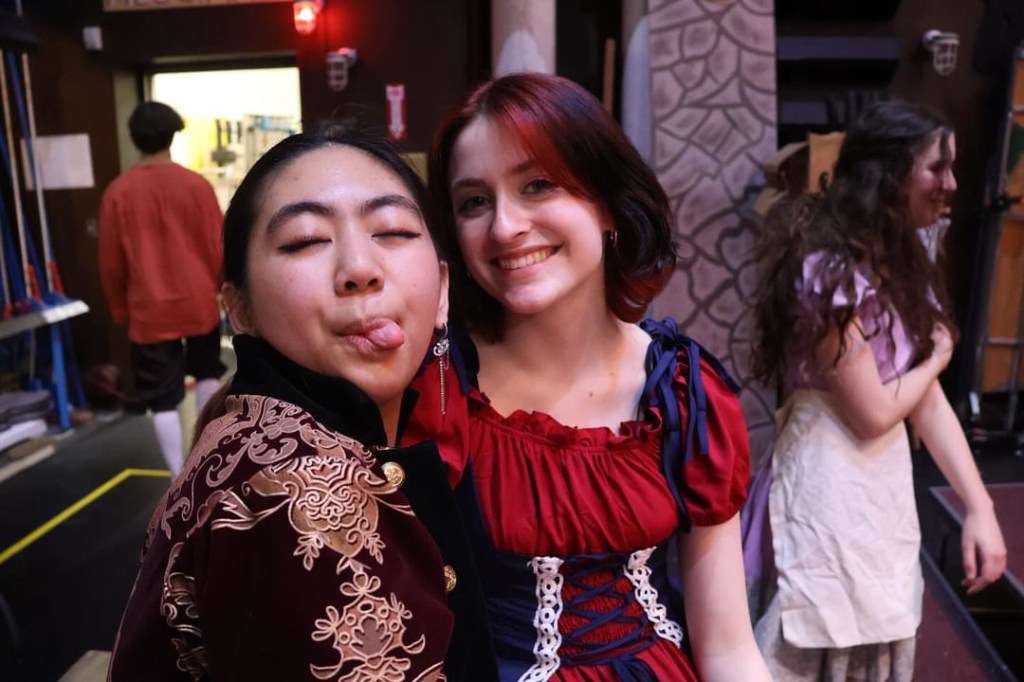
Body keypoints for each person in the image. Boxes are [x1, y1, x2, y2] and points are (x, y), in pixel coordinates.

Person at [403, 72, 770, 680]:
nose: (504, 226)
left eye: (537, 185)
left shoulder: (683, 391)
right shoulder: (435, 388)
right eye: (474, 202)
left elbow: (729, 647)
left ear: (608, 203)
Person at [108, 129, 496, 680]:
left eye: (394, 230)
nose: (359, 268)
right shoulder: (303, 495)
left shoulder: (249, 431)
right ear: (239, 308)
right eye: (306, 240)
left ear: (443, 289)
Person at [750, 99, 1007, 679]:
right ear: (888, 175)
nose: (952, 184)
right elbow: (871, 412)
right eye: (937, 168)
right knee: (812, 641)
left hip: (877, 489)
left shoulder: (901, 263)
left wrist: (980, 507)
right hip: (825, 485)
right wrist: (938, 355)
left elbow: (923, 402)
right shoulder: (829, 273)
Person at [98, 101, 224, 476]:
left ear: (134, 138)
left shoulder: (118, 193)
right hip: (199, 301)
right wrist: (223, 288)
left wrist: (120, 308)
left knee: (162, 399)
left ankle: (176, 474)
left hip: (149, 308)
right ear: (172, 135)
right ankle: (206, 459)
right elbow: (218, 245)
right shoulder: (197, 186)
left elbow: (110, 261)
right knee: (207, 374)